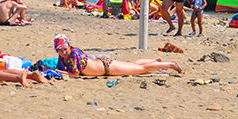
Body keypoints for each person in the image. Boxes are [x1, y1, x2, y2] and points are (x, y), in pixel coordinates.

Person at [53, 35, 182, 76]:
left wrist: (57, 72)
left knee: (140, 70)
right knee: (132, 65)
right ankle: (155, 60)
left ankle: (170, 64)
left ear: (68, 46)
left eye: (64, 49)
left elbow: (74, 75)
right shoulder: (63, 57)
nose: (63, 52)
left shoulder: (74, 54)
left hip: (107, 67)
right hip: (103, 64)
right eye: (60, 50)